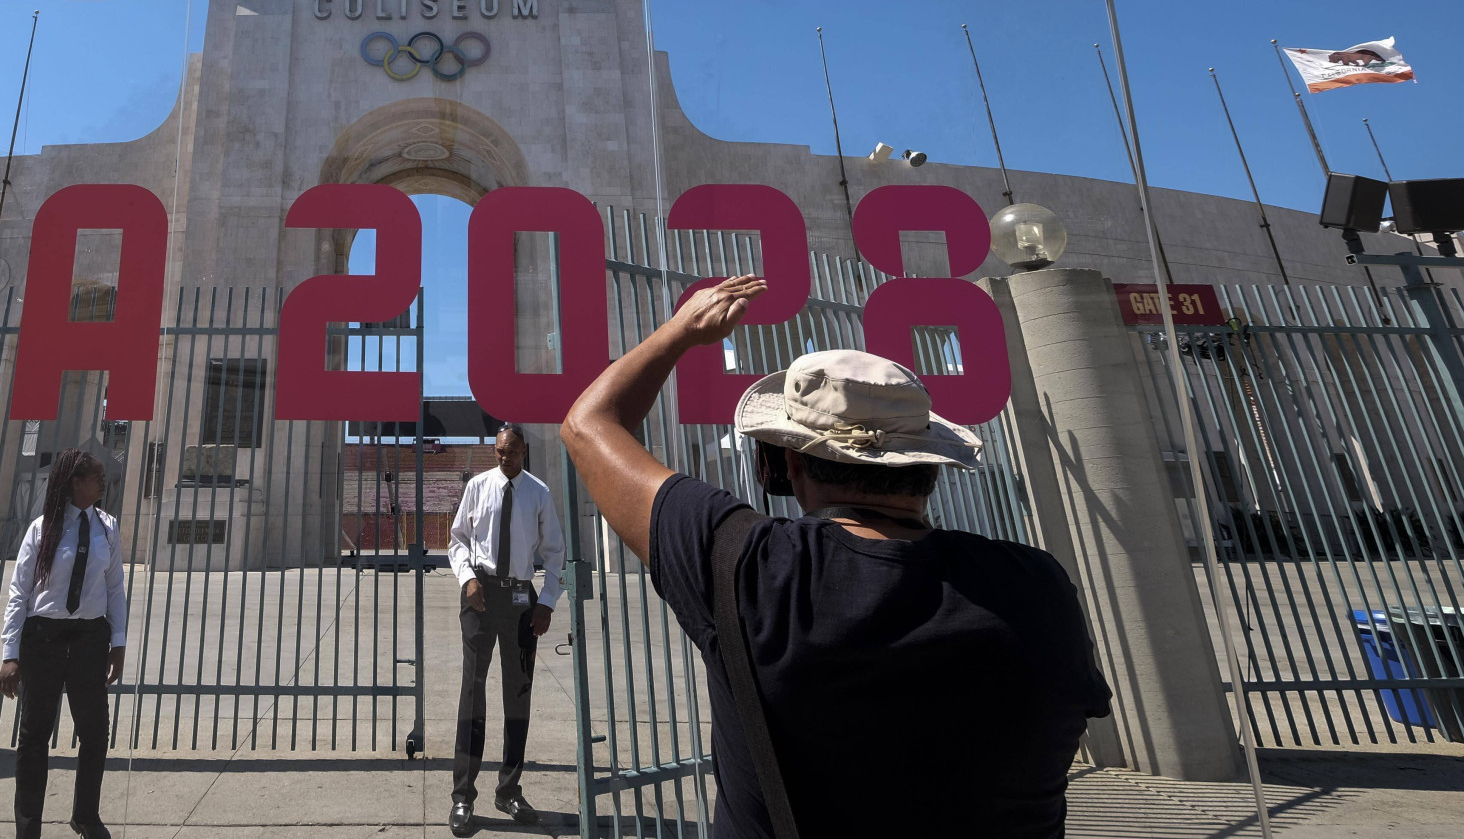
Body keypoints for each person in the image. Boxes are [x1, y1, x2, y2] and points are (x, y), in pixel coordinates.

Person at [560, 276, 1113, 839]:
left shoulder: (742, 564)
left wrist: (684, 330)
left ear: (788, 465)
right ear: (929, 462)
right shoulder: (1036, 584)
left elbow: (588, 424)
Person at [0, 448, 129, 839]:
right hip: (45, 640)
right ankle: (28, 826)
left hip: (90, 640)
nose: (102, 483)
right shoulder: (43, 528)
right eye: (96, 477)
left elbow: (115, 587)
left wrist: (118, 643)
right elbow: (19, 592)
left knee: (94, 732)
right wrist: (10, 653)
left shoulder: (107, 526)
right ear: (75, 481)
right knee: (35, 735)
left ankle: (85, 815)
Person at [446, 424, 566, 836]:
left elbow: (555, 552)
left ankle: (509, 789)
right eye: (499, 452)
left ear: (524, 451)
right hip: (480, 597)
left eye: (511, 452)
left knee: (518, 697)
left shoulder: (539, 493)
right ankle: (463, 797)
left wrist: (547, 601)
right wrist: (466, 579)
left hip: (519, 602)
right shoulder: (478, 487)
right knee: (472, 692)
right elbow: (458, 539)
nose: (504, 458)